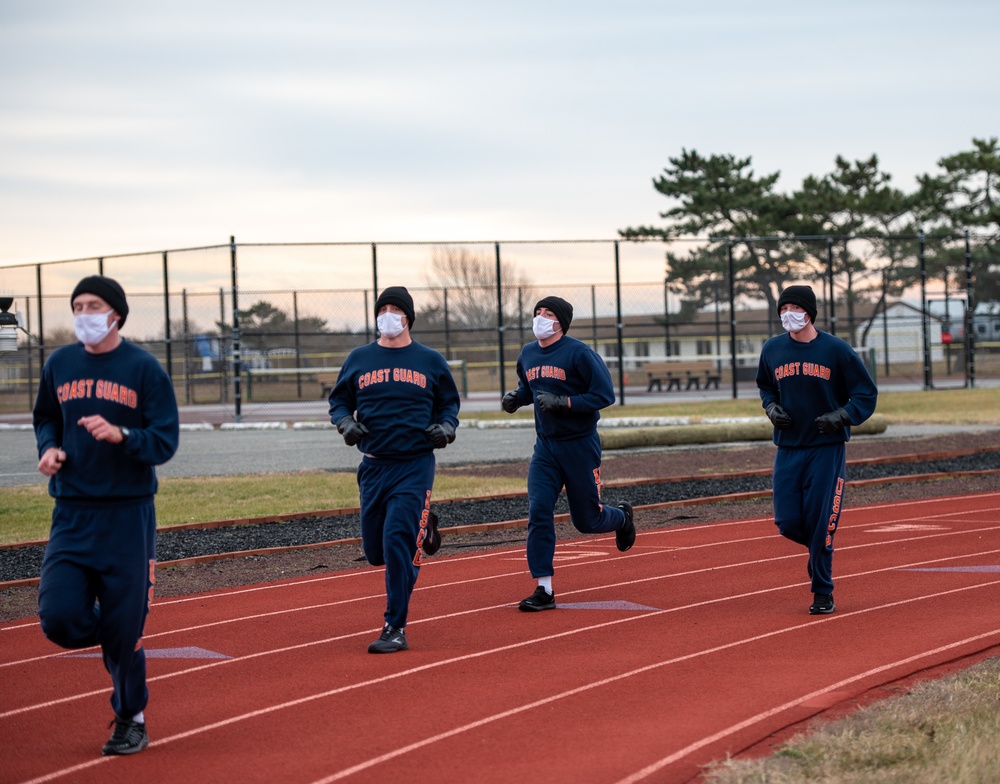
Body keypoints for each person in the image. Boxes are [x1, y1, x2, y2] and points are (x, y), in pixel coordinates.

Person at [32, 275, 180, 756]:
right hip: (71, 514)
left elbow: (165, 440)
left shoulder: (143, 369)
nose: (84, 314)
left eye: (93, 305)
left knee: (123, 631)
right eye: (77, 305)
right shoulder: (60, 363)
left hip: (127, 517)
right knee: (58, 618)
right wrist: (49, 447)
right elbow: (46, 417)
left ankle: (130, 717)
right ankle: (120, 629)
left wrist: (123, 436)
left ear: (116, 313)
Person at [328, 286, 460, 653]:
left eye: (394, 309)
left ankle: (394, 626)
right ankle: (426, 523)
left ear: (407, 318)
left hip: (414, 466)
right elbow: (339, 401)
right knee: (376, 552)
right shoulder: (359, 358)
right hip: (373, 467)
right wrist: (345, 423)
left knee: (398, 544)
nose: (387, 314)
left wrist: (447, 428)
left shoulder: (430, 360)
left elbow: (449, 405)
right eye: (381, 309)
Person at [501, 295, 635, 611]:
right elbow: (528, 388)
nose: (540, 318)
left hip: (579, 445)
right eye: (537, 312)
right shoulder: (528, 353)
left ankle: (621, 517)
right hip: (545, 448)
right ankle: (544, 589)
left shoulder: (580, 354)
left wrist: (566, 403)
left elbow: (605, 394)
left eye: (547, 313)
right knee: (538, 511)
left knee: (587, 520)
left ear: (561, 321)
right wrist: (517, 399)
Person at [756, 284, 878, 615]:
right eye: (782, 309)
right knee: (787, 521)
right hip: (789, 448)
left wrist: (842, 417)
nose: (787, 315)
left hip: (827, 448)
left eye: (794, 308)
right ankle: (816, 551)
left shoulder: (836, 351)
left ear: (809, 312)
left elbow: (866, 394)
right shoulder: (772, 350)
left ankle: (823, 590)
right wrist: (771, 409)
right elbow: (766, 386)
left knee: (822, 521)